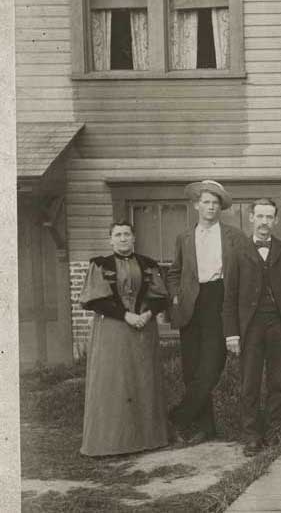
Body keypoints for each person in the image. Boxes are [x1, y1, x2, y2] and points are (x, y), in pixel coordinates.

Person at [221, 199, 281, 456]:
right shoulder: (237, 250)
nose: (264, 222)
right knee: (250, 382)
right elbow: (229, 296)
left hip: (279, 325)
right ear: (251, 219)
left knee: (278, 381)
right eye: (259, 216)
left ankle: (273, 432)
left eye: (269, 217)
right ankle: (251, 436)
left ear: (276, 221)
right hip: (250, 327)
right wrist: (232, 333)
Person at [78, 221, 170, 456]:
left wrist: (147, 314)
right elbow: (95, 301)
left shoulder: (148, 265)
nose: (122, 239)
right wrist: (126, 315)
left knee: (143, 380)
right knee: (115, 382)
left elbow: (161, 297)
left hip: (143, 329)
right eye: (117, 235)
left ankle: (148, 439)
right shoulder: (100, 265)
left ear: (134, 237)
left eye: (126, 234)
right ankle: (112, 443)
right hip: (113, 330)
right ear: (110, 239)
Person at [167, 180, 248, 445]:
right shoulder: (184, 237)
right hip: (192, 303)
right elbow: (174, 272)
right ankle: (205, 427)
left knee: (211, 367)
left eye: (215, 203)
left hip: (220, 300)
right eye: (206, 202)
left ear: (220, 208)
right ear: (196, 205)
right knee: (192, 370)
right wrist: (177, 296)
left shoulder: (233, 236)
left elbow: (246, 268)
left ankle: (177, 417)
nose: (211, 207)